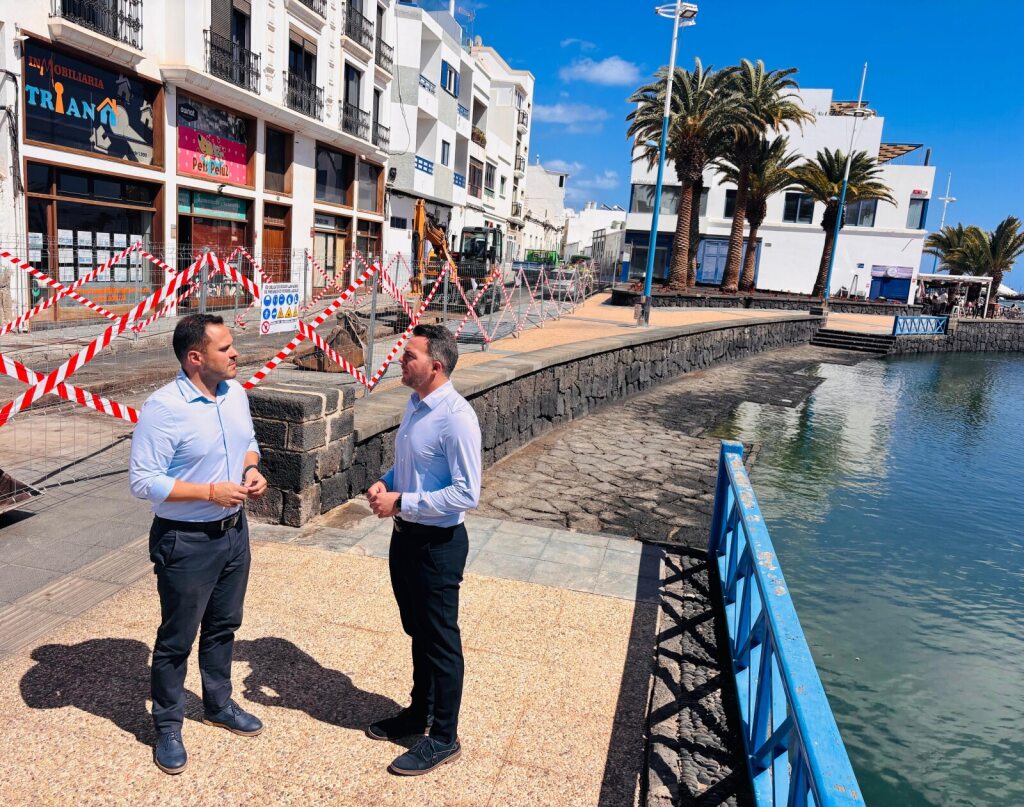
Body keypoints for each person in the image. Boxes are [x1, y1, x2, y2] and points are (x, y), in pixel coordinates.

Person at [129, 314, 268, 775]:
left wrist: (251, 469)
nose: (236, 353)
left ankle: (218, 704)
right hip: (185, 541)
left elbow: (248, 442)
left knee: (224, 626)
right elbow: (143, 481)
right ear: (195, 357)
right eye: (225, 348)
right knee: (177, 639)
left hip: (234, 533)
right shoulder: (164, 408)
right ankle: (168, 726)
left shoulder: (235, 393)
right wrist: (209, 492)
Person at [365, 323, 481, 776]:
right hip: (406, 538)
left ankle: (445, 737)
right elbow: (410, 466)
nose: (401, 358)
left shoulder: (456, 417)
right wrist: (387, 482)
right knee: (418, 631)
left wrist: (403, 502)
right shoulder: (415, 404)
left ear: (435, 366)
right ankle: (420, 713)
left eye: (409, 355)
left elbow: (467, 493)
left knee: (440, 640)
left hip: (438, 545)